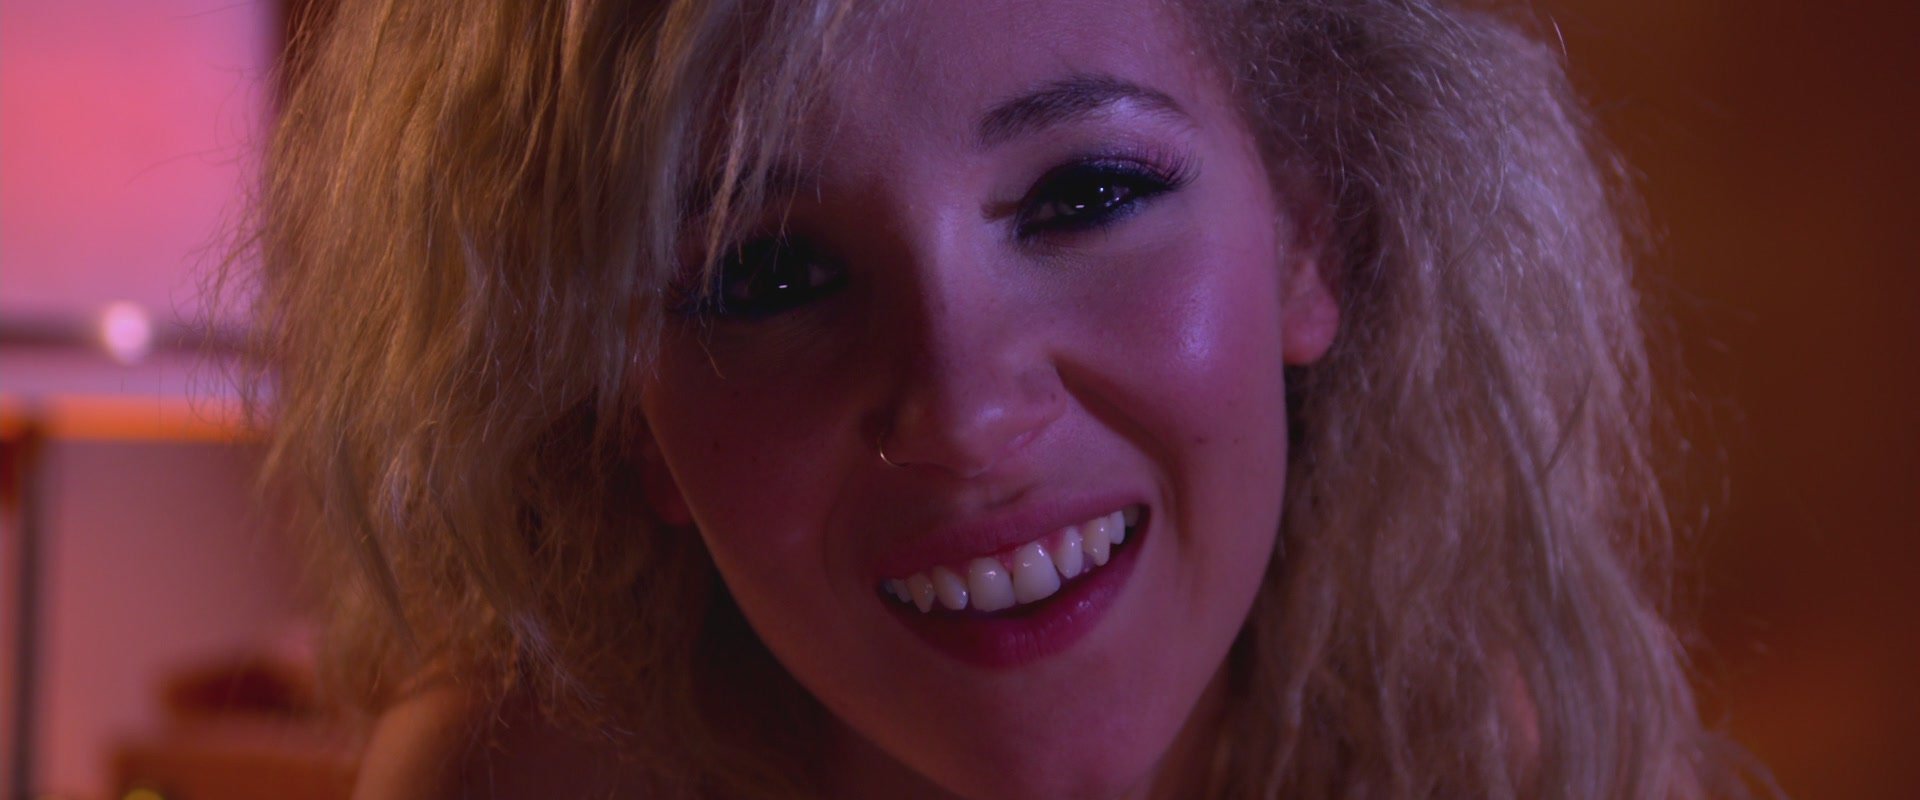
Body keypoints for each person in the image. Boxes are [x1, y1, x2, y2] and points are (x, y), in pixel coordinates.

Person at [233, 0, 1765, 797]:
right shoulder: (523, 789)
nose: (964, 417)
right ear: (622, 405)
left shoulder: (1516, 768)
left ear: (1314, 232)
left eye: (1086, 196)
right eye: (767, 275)